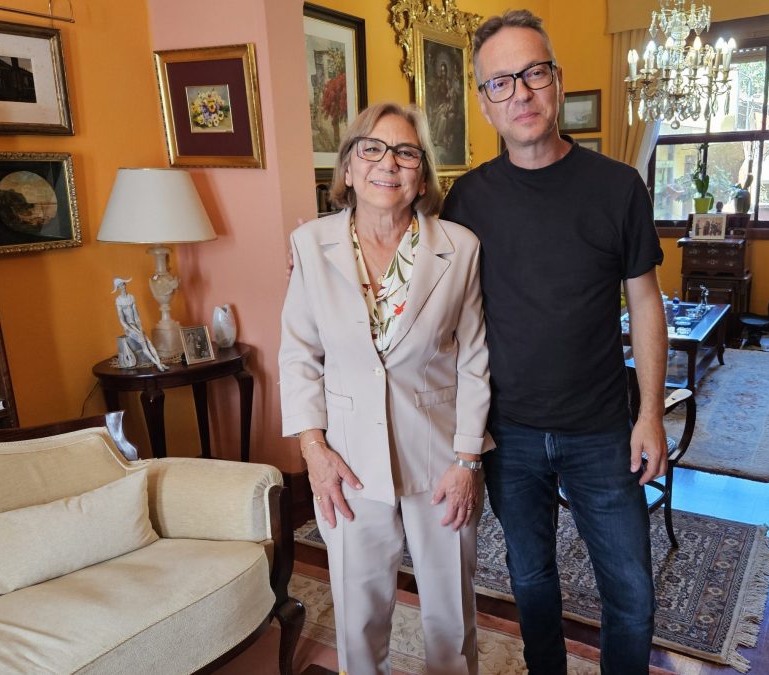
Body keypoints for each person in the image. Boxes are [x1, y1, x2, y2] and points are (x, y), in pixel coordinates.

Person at [441, 10, 669, 674]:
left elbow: (645, 303)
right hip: (508, 433)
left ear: (557, 80)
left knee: (632, 592)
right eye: (501, 82)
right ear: (485, 102)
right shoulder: (466, 201)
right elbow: (425, 289)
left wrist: (651, 413)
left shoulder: (618, 187)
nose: (521, 93)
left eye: (534, 73)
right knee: (532, 581)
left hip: (602, 428)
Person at [279, 102, 491, 675]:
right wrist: (314, 452)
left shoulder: (459, 247)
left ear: (422, 175)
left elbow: (475, 359)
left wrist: (467, 460)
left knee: (450, 619)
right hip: (347, 463)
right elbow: (298, 355)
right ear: (348, 168)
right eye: (371, 149)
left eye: (405, 152)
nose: (387, 163)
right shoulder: (310, 244)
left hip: (440, 458)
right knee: (359, 617)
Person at [112, 277, 165, 370]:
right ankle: (157, 364)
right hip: (129, 327)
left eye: (123, 284)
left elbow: (136, 315)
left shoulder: (131, 297)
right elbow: (122, 320)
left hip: (136, 325)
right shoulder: (119, 300)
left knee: (149, 342)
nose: (123, 287)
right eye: (120, 286)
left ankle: (159, 362)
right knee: (144, 345)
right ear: (118, 288)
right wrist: (130, 329)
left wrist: (139, 326)